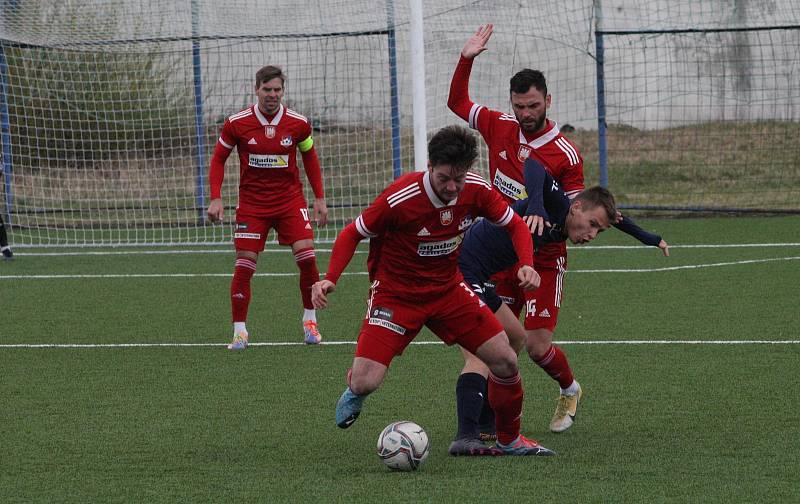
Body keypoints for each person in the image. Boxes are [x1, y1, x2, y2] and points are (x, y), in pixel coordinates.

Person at [448, 24, 669, 432]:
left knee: (535, 346)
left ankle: (569, 388)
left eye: (533, 105)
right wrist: (467, 58)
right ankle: (486, 423)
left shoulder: (565, 154)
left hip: (545, 258)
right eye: (520, 106)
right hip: (502, 250)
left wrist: (645, 235)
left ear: (548, 100)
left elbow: (579, 210)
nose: (526, 113)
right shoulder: (498, 124)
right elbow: (457, 101)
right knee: (496, 341)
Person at [312, 125, 554, 456]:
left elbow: (515, 225)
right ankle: (355, 386)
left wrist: (526, 263)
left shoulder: (477, 191)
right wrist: (330, 277)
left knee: (506, 360)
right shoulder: (400, 197)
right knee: (367, 381)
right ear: (430, 165)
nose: (452, 187)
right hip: (396, 296)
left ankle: (510, 440)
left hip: (448, 290)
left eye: (459, 178)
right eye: (444, 178)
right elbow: (352, 233)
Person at [451, 158, 668, 453]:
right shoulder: (557, 204)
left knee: (515, 338)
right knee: (483, 352)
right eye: (591, 225)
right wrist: (537, 205)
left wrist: (650, 238)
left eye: (598, 231)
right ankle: (466, 436)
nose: (592, 235)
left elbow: (616, 219)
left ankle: (487, 422)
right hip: (461, 270)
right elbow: (534, 166)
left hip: (482, 274)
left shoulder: (574, 220)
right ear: (575, 206)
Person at [207, 65, 328, 349]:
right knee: (245, 264)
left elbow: (310, 157)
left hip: (289, 200)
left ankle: (310, 322)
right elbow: (218, 159)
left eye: (277, 90)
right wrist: (215, 196)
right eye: (267, 89)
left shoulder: (298, 123)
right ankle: (240, 331)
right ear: (256, 89)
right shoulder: (237, 123)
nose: (272, 95)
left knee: (308, 257)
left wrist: (319, 198)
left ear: (283, 91)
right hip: (253, 204)